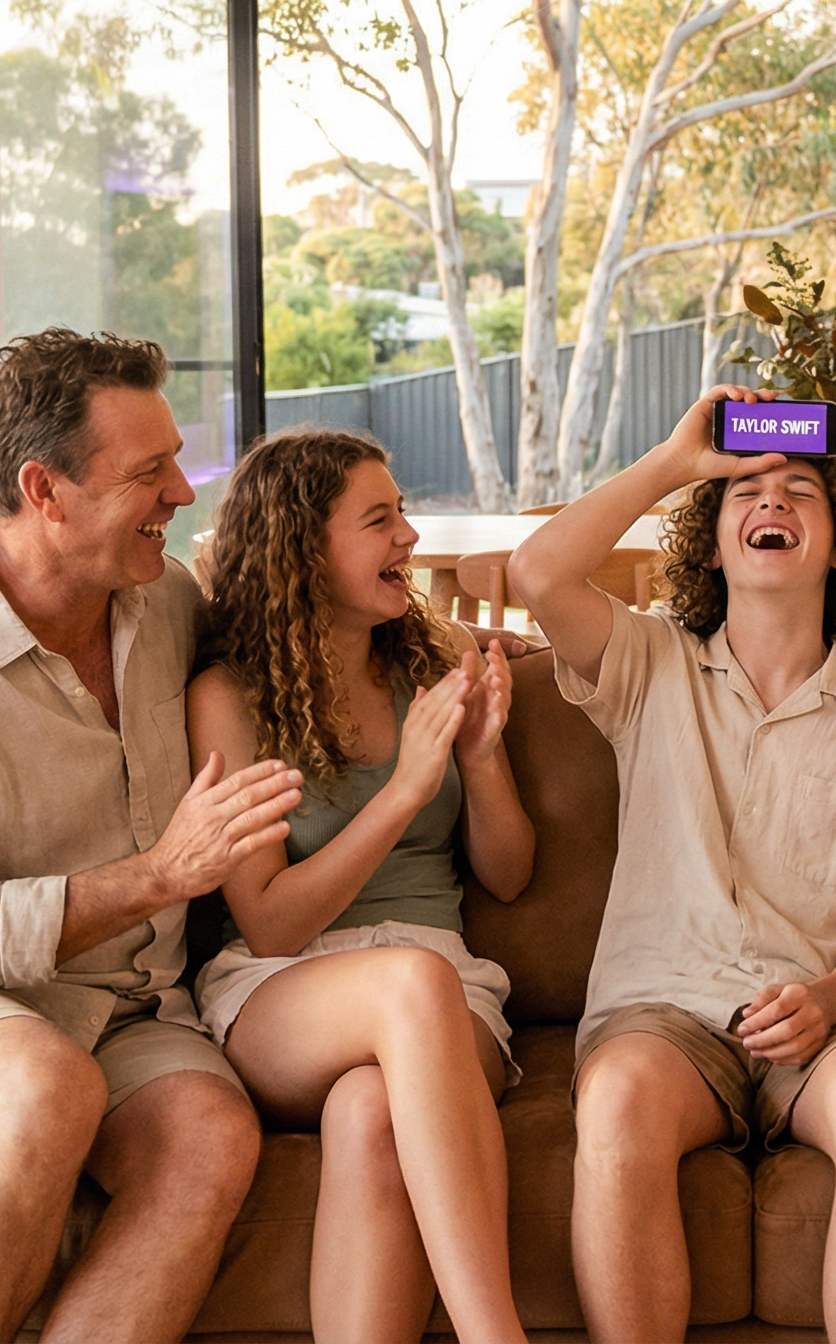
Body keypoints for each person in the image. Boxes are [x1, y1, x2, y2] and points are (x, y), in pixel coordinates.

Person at [0, 328, 306, 1343]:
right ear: (44, 491)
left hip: (130, 1006)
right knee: (46, 1087)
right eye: (148, 472)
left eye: (175, 458)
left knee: (212, 1136)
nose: (182, 492)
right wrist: (159, 875)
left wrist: (438, 651)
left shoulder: (163, 599)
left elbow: (300, 649)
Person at [509, 387, 836, 1344]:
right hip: (663, 1013)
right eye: (745, 492)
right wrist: (677, 465)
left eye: (802, 491)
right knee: (619, 1100)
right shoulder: (649, 666)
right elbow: (539, 570)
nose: (773, 504)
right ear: (711, 543)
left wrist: (830, 999)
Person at [186, 430, 533, 1344]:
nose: (411, 538)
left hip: (444, 981)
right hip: (284, 987)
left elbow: (509, 874)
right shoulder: (227, 696)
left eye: (403, 513)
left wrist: (481, 761)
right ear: (302, 549)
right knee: (411, 983)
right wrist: (409, 789)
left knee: (371, 1111)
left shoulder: (433, 657)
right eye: (380, 521)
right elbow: (266, 923)